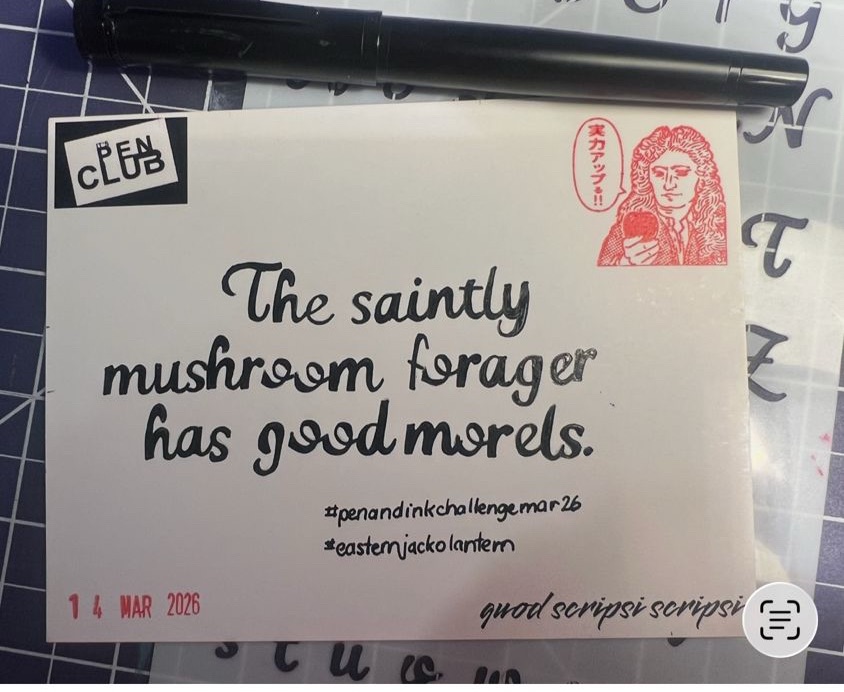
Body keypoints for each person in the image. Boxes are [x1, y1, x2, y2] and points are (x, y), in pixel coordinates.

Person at [597, 125, 727, 266]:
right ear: (646, 177)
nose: (669, 184)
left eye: (681, 173)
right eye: (659, 173)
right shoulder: (627, 228)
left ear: (702, 176)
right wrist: (625, 263)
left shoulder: (714, 226)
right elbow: (601, 270)